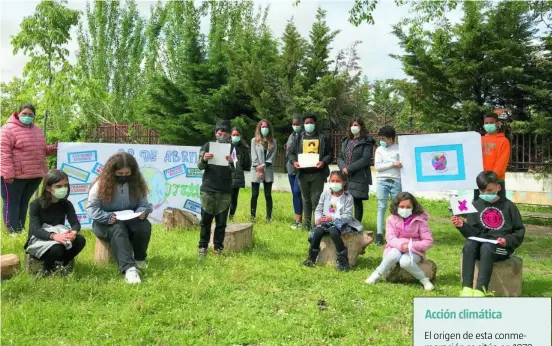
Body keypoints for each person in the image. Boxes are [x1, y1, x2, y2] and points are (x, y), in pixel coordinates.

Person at [451, 171, 525, 297]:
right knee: (469, 244)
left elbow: (519, 231)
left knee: (487, 247)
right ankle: (467, 288)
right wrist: (462, 226)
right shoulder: (475, 205)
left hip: (501, 248)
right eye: (482, 191)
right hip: (481, 245)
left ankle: (481, 289)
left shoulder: (509, 206)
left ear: (498, 187)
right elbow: (473, 233)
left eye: (490, 190)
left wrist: (507, 240)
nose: (486, 194)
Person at [86, 152, 153, 284]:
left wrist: (142, 212)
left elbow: (144, 204)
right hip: (105, 223)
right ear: (112, 172)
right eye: (120, 174)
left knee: (144, 225)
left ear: (132, 173)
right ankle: (129, 269)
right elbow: (91, 208)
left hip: (130, 219)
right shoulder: (100, 185)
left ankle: (140, 259)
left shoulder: (137, 184)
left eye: (126, 174)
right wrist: (106, 217)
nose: (123, 177)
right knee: (118, 228)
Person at [1, 104, 57, 236]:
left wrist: (52, 149)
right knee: (12, 202)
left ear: (34, 116)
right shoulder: (7, 130)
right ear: (17, 114)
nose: (27, 117)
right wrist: (8, 173)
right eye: (24, 114)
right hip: (14, 176)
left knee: (24, 202)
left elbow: (41, 150)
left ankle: (20, 228)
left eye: (30, 115)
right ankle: (12, 231)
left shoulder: (37, 130)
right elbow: (3, 153)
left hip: (34, 175)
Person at [365, 192, 435, 290]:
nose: (404, 209)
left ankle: (424, 279)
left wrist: (410, 246)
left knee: (405, 262)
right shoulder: (391, 219)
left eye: (408, 207)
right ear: (397, 206)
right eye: (402, 206)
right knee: (393, 255)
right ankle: (376, 274)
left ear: (413, 207)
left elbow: (428, 241)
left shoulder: (420, 221)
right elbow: (390, 237)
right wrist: (402, 245)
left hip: (414, 250)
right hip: (395, 247)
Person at [25, 170, 86, 274]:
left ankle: (60, 265)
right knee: (58, 248)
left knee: (80, 240)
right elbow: (35, 230)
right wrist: (54, 236)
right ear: (48, 188)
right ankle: (46, 270)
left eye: (65, 185)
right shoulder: (36, 204)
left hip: (59, 237)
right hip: (39, 239)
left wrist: (74, 232)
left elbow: (75, 223)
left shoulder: (66, 204)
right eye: (59, 186)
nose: (63, 189)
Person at [302, 171, 362, 271]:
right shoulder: (326, 194)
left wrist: (333, 218)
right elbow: (319, 208)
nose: (334, 183)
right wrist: (318, 219)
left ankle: (343, 260)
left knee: (334, 231)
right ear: (329, 181)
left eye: (337, 181)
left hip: (341, 222)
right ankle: (311, 258)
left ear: (344, 182)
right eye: (332, 181)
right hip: (326, 221)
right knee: (318, 231)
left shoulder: (348, 197)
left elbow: (347, 216)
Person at [197, 119, 235, 259]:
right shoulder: (207, 146)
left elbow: (237, 169)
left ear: (229, 134)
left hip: (225, 191)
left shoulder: (233, 149)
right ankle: (202, 248)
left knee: (221, 223)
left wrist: (232, 161)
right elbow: (199, 166)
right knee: (205, 221)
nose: (220, 133)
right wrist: (204, 159)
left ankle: (218, 249)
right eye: (218, 130)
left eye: (223, 131)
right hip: (208, 189)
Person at [288, 113, 333, 229]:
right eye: (306, 123)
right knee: (305, 199)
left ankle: (316, 225)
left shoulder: (322, 137)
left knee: (316, 200)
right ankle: (306, 225)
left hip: (318, 174)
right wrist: (294, 162)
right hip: (303, 174)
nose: (309, 125)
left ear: (315, 123)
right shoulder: (298, 138)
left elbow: (330, 154)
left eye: (311, 122)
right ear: (304, 124)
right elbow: (291, 154)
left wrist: (323, 161)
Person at [337, 119, 374, 222]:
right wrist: (343, 167)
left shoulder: (366, 142)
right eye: (351, 125)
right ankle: (342, 223)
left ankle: (356, 225)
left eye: (356, 125)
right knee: (342, 201)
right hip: (344, 176)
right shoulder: (346, 141)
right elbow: (340, 157)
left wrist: (349, 169)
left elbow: (365, 159)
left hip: (359, 175)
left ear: (361, 127)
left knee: (357, 201)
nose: (353, 127)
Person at [374, 125, 402, 246]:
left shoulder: (399, 149)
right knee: (381, 206)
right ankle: (379, 233)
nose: (382, 141)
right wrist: (392, 164)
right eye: (381, 139)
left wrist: (396, 164)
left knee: (396, 208)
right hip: (382, 181)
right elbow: (378, 167)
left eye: (384, 138)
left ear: (391, 138)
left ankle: (395, 233)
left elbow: (403, 164)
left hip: (396, 181)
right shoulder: (379, 150)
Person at [475, 113, 510, 201]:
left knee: (499, 209)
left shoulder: (503, 141)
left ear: (497, 124)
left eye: (491, 122)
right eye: (486, 123)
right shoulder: (479, 139)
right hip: (480, 180)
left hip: (497, 181)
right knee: (479, 208)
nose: (488, 125)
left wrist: (491, 179)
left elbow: (502, 162)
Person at [250, 119, 277, 223]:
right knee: (254, 194)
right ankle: (252, 217)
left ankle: (268, 218)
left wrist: (264, 166)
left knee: (268, 195)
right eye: (262, 126)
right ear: (259, 128)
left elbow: (272, 158)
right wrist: (259, 169)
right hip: (256, 169)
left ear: (269, 128)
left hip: (268, 169)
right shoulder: (254, 141)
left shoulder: (273, 141)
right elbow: (253, 156)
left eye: (266, 127)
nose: (264, 129)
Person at [229, 127, 251, 221]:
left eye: (237, 135)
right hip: (226, 175)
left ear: (240, 136)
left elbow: (247, 164)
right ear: (230, 135)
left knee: (234, 197)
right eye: (233, 135)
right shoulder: (226, 146)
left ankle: (231, 216)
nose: (235, 136)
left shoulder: (244, 148)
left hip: (237, 176)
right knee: (225, 198)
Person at [285, 116, 303, 229]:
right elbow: (288, 152)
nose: (295, 126)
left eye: (297, 124)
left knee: (298, 192)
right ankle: (298, 220)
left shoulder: (304, 136)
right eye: (293, 124)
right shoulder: (291, 136)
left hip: (301, 169)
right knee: (295, 194)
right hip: (290, 169)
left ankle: (302, 220)